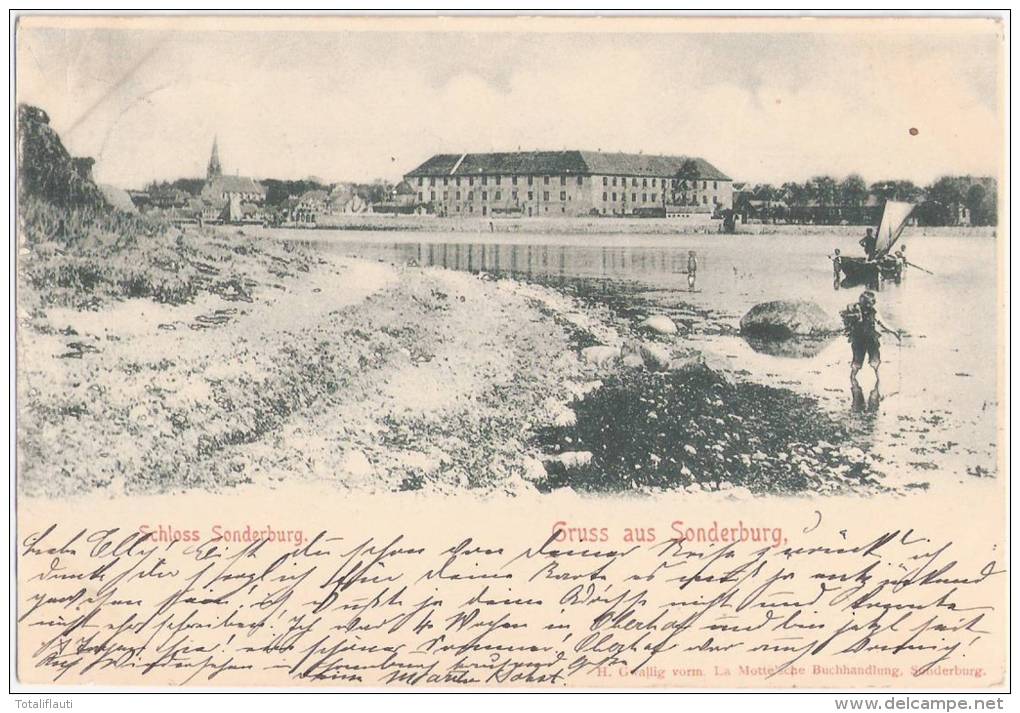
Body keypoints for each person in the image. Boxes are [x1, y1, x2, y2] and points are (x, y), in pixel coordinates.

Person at [840, 290, 901, 384]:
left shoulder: (873, 312)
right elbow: (845, 316)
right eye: (868, 304)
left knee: (875, 359)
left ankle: (878, 380)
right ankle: (853, 378)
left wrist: (894, 332)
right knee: (857, 360)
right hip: (859, 339)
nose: (869, 306)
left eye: (871, 304)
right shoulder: (856, 311)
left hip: (871, 338)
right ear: (863, 303)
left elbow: (882, 323)